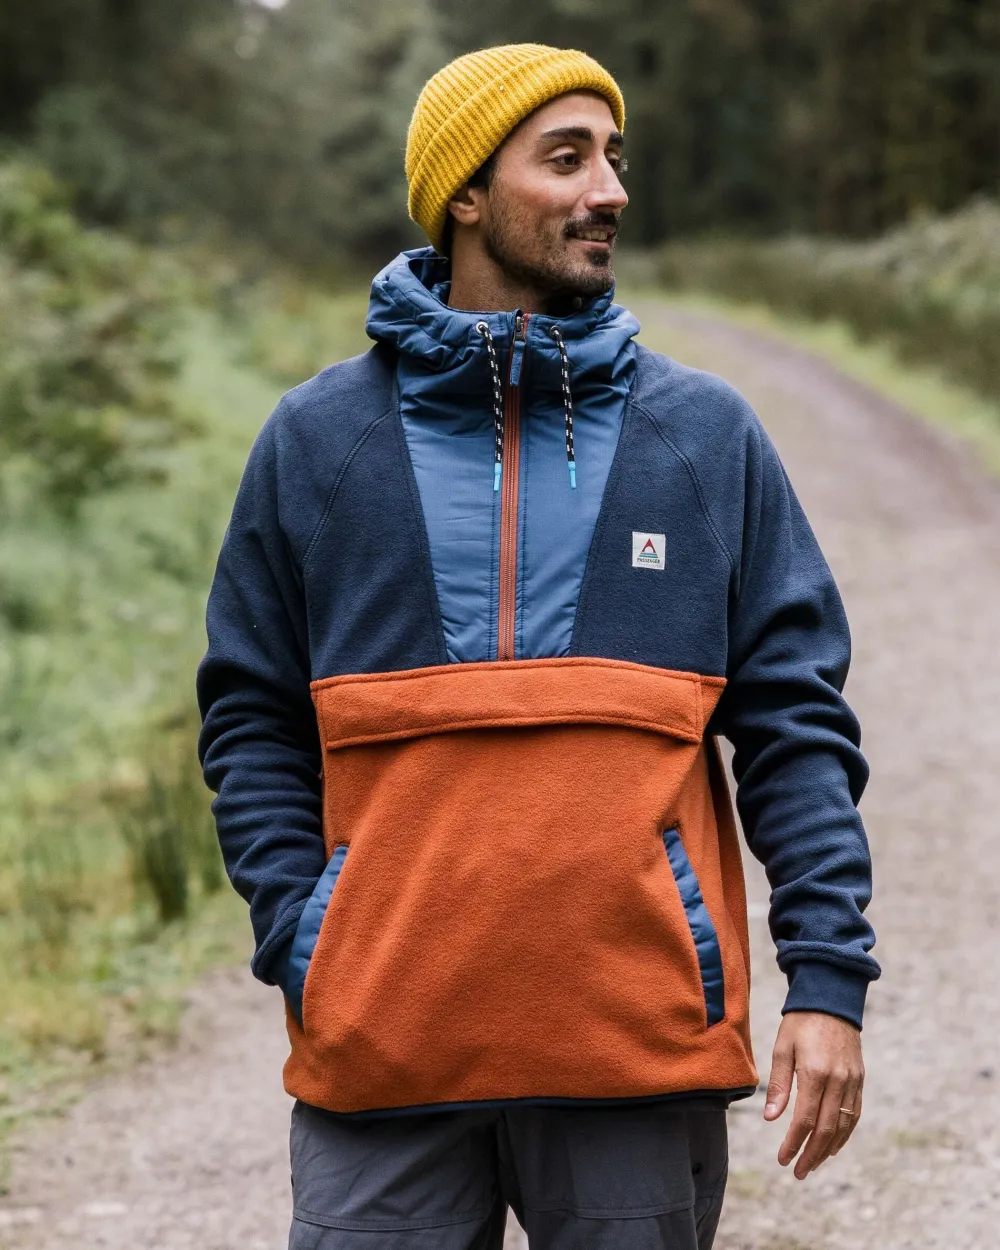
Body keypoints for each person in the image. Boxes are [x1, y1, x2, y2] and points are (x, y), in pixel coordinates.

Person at [197, 43, 879, 1250]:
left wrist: (826, 976)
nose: (608, 189)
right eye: (565, 159)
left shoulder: (703, 436)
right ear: (465, 192)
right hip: (381, 1057)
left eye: (612, 157)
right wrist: (308, 938)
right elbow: (252, 714)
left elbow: (794, 725)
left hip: (636, 1058)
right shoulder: (317, 441)